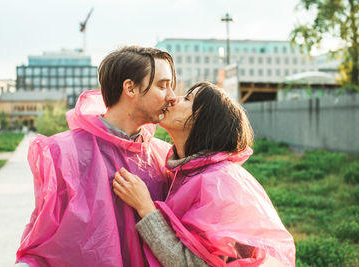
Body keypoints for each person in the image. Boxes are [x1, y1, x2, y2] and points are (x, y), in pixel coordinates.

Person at [15, 46, 177, 266]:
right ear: (130, 88)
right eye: (162, 86)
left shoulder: (164, 156)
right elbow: (42, 237)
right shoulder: (63, 153)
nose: (172, 96)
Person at [113, 82, 296, 266]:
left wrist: (146, 208)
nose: (173, 98)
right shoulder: (188, 171)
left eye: (187, 99)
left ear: (204, 120)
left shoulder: (219, 183)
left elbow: (195, 264)